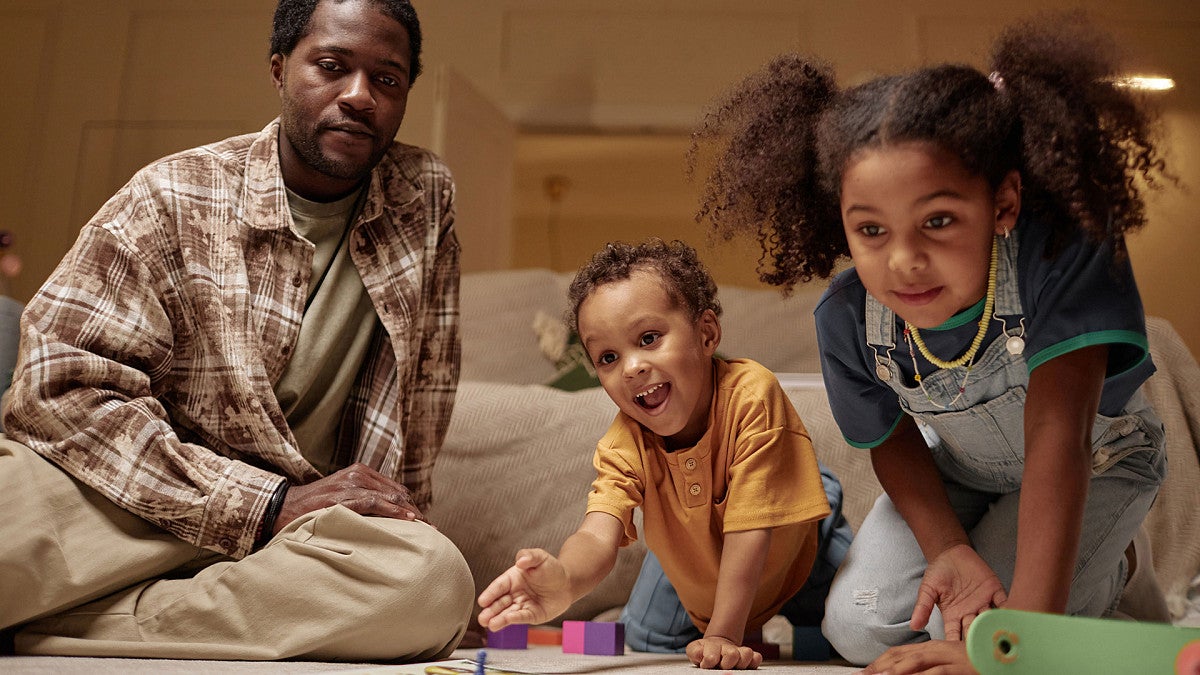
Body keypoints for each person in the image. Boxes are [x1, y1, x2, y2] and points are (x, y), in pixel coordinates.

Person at [689, 11, 1172, 674]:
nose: (904, 260)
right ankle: (1041, 576)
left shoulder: (1060, 255)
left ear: (1002, 203)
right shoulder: (846, 316)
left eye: (938, 221)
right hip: (965, 472)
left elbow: (1062, 437)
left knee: (996, 629)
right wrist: (948, 548)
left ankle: (1114, 568)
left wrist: (1012, 648)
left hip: (1095, 463)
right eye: (872, 231)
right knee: (858, 629)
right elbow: (889, 438)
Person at [0, 0, 474, 661]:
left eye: (387, 79)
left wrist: (399, 521)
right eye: (332, 67)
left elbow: (424, 391)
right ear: (279, 70)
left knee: (433, 581)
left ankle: (76, 621)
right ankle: (185, 601)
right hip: (135, 494)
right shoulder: (171, 195)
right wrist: (263, 501)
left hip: (297, 532)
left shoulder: (423, 198)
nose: (360, 96)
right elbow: (54, 391)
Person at [477, 239, 834, 670]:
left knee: (841, 628)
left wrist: (724, 633)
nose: (631, 367)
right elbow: (596, 534)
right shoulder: (622, 443)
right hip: (694, 546)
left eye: (649, 338)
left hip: (792, 540)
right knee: (647, 636)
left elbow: (751, 530)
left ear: (706, 333)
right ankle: (684, 571)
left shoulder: (752, 396)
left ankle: (821, 494)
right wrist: (566, 581)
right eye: (608, 357)